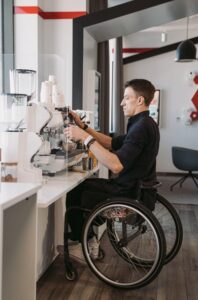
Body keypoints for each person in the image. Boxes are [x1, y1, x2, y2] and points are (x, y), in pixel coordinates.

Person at [64, 79, 160, 263]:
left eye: (126, 98)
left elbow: (115, 165)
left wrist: (84, 137)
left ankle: (81, 244)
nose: (122, 103)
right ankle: (90, 239)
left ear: (140, 100)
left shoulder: (141, 127)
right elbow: (110, 142)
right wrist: (83, 127)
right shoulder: (145, 122)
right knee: (85, 187)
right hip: (138, 187)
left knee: (75, 192)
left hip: (128, 192)